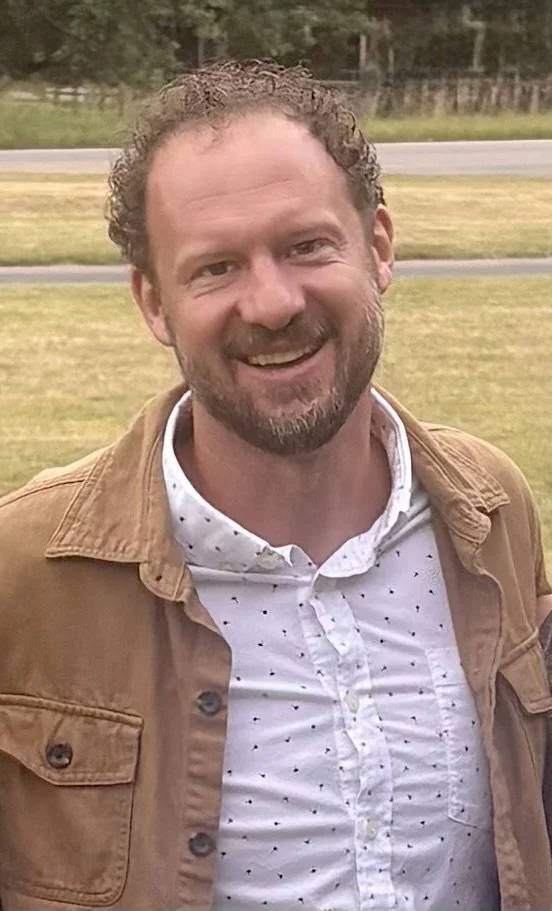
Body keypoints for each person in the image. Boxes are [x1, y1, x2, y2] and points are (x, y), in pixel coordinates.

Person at [0, 60, 550, 911]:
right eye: (216, 267)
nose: (271, 302)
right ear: (153, 303)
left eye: (306, 246)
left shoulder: (492, 515)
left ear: (379, 247)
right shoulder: (28, 578)